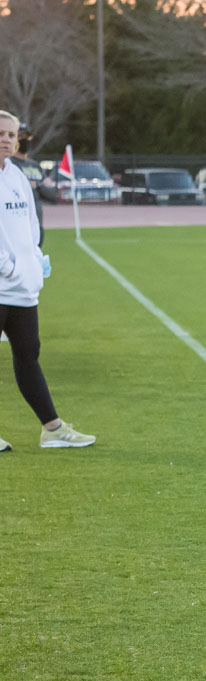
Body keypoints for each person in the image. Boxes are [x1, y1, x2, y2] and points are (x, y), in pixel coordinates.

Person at [0, 109, 95, 452]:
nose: (6, 140)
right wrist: (6, 267)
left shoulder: (17, 176)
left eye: (11, 135)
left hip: (23, 289)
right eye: (0, 134)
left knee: (28, 355)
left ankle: (52, 429)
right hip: (1, 284)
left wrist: (35, 262)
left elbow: (30, 224)